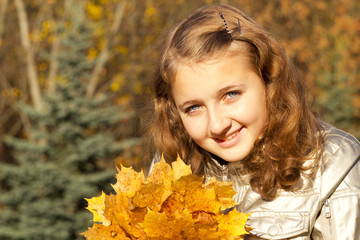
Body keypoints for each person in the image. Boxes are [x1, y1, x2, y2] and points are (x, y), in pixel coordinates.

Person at [144, 4, 360, 239]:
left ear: (268, 79)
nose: (217, 125)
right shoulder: (174, 164)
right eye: (194, 108)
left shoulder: (332, 167)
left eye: (231, 95)